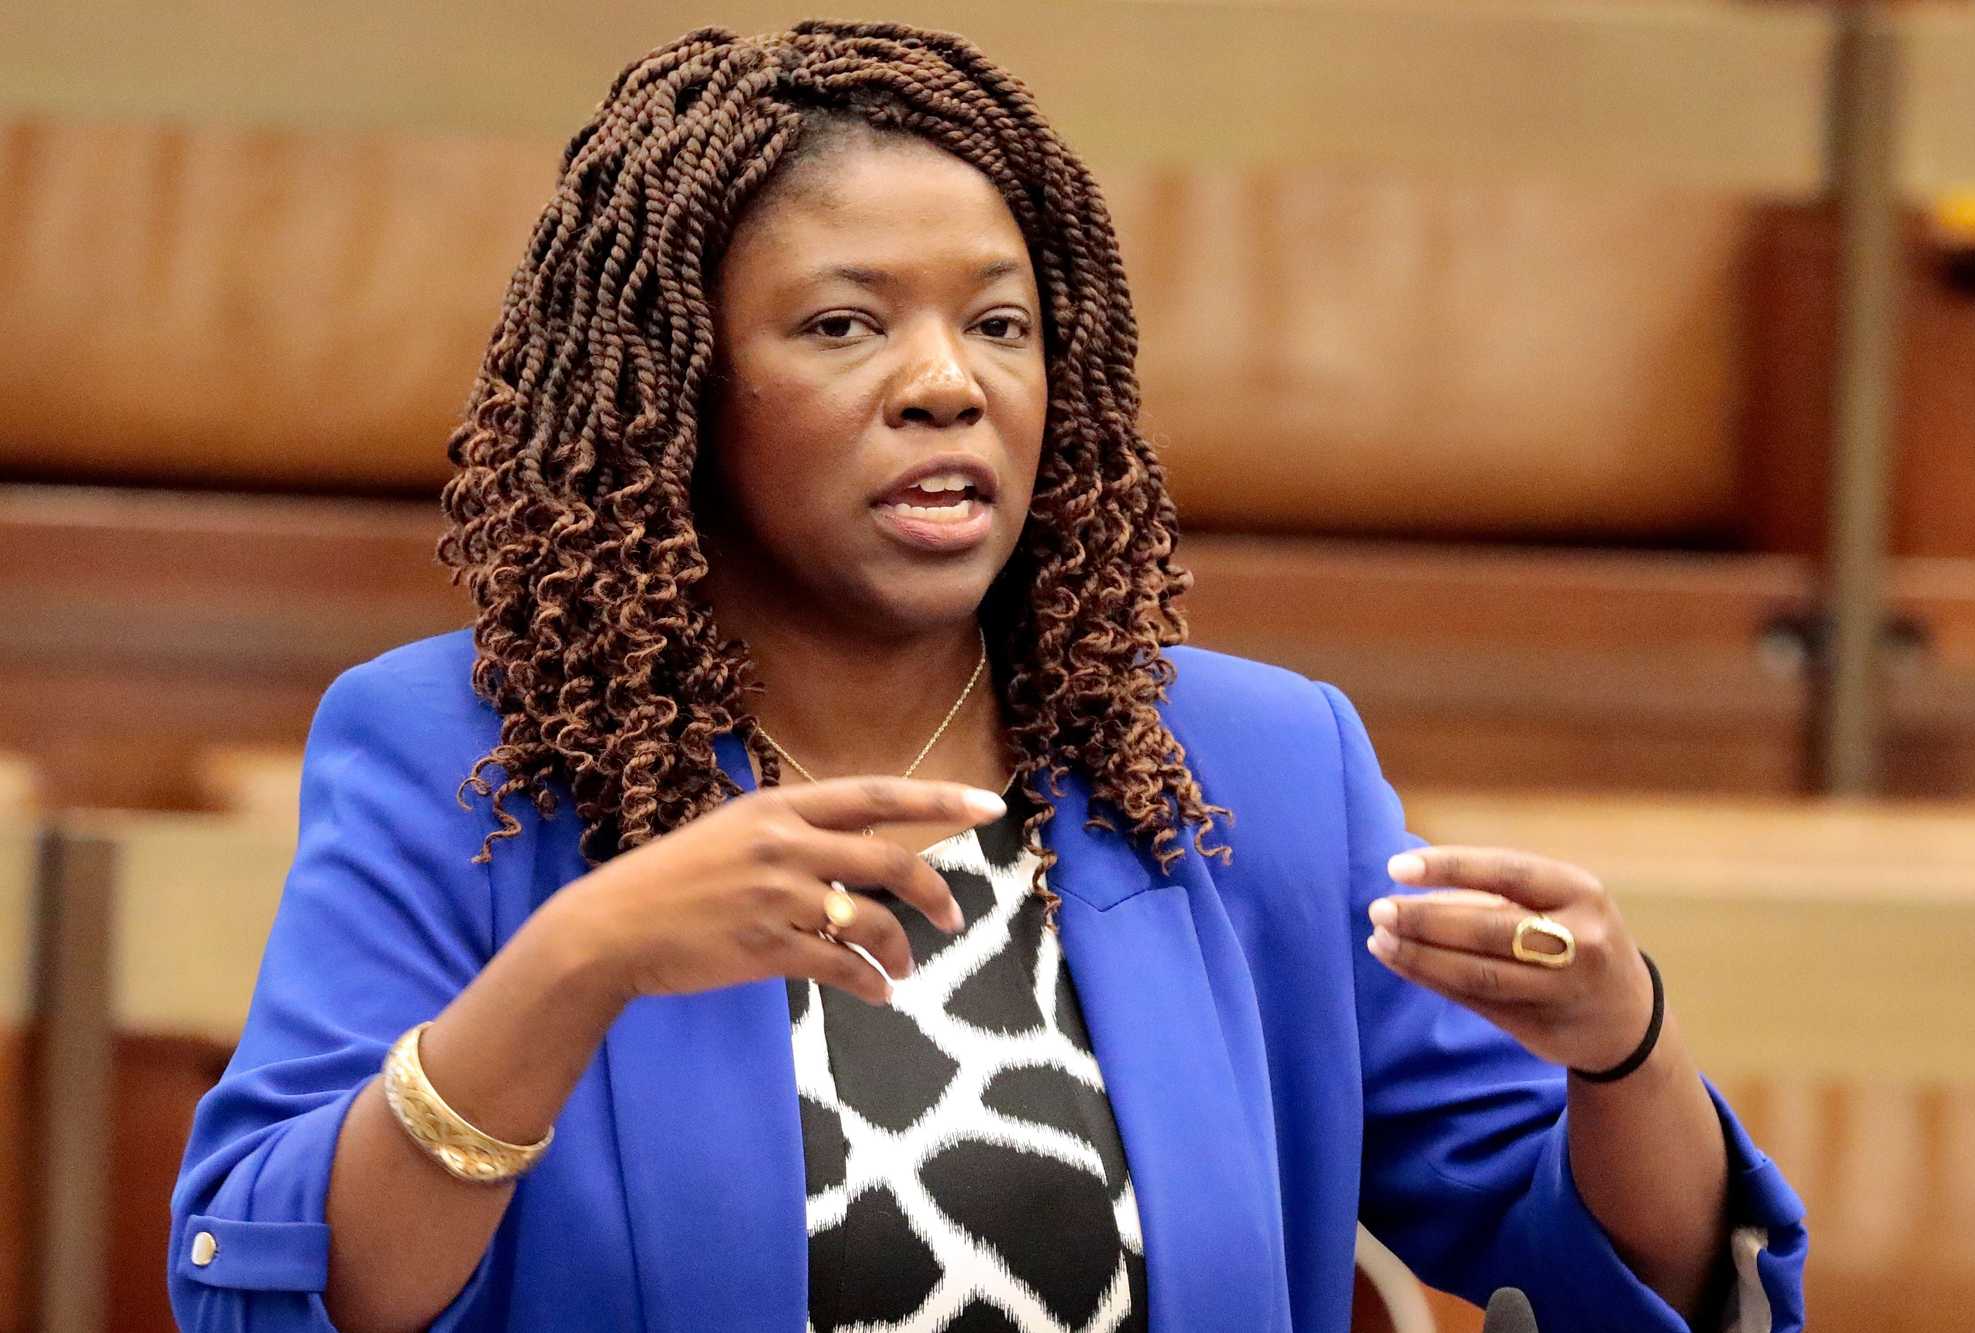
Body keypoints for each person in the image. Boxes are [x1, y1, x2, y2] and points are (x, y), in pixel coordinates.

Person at [169, 20, 1806, 1332]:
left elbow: (1625, 1279)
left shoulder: (1250, 766)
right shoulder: (461, 754)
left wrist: (1624, 1044)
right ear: (677, 395)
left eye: (1002, 326)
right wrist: (578, 959)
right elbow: (280, 1287)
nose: (947, 383)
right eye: (842, 326)